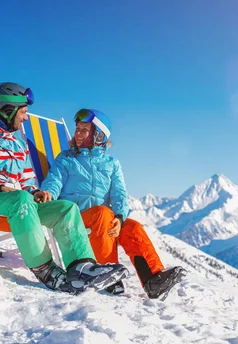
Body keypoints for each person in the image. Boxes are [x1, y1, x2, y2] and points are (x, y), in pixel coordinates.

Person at [0, 83, 129, 294]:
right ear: (8, 110)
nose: (25, 118)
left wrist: (35, 192)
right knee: (21, 199)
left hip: (21, 206)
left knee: (66, 208)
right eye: (23, 112)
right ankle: (46, 270)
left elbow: (26, 182)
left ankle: (81, 268)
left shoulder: (17, 144)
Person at [41, 108, 185, 300]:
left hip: (104, 220)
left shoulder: (111, 163)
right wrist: (47, 192)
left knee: (132, 227)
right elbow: (54, 180)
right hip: (74, 217)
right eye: (77, 129)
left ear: (99, 135)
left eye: (84, 130)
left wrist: (119, 217)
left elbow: (119, 195)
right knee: (102, 213)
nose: (78, 133)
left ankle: (153, 279)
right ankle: (107, 276)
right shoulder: (66, 159)